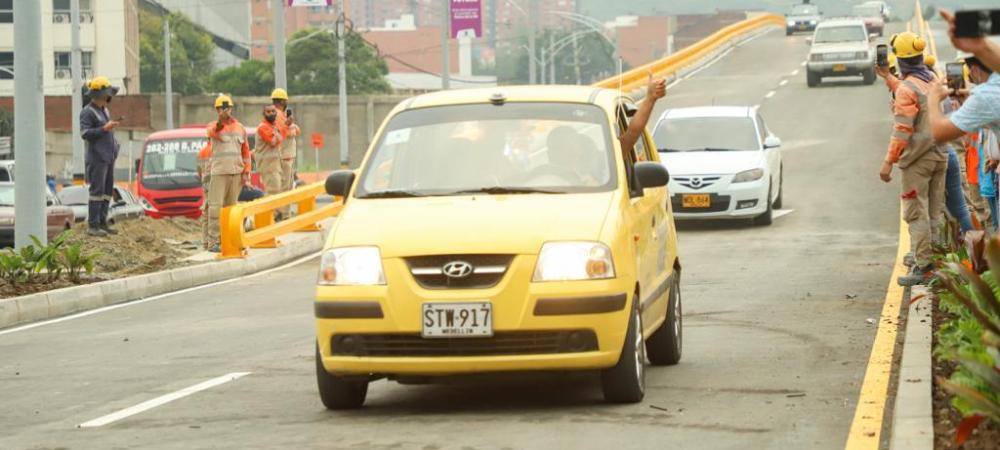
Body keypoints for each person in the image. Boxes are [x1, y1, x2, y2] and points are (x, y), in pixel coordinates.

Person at [877, 32, 947, 286]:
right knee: (933, 212)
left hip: (918, 161)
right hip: (940, 156)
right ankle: (937, 264)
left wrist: (888, 161)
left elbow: (902, 129)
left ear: (902, 61)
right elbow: (911, 92)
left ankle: (924, 267)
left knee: (916, 214)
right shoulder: (932, 82)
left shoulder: (908, 89)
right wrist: (889, 78)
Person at [204, 94, 251, 253]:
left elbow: (246, 152)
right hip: (219, 172)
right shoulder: (213, 126)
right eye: (222, 108)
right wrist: (220, 122)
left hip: (236, 173)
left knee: (232, 209)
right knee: (215, 208)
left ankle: (230, 240)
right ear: (217, 110)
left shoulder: (240, 127)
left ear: (232, 109)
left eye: (228, 108)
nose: (225, 111)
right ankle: (214, 241)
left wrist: (246, 172)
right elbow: (212, 132)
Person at [79, 76, 121, 237]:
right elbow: (85, 133)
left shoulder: (105, 110)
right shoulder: (87, 112)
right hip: (97, 158)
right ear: (102, 95)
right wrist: (104, 128)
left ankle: (103, 222)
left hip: (108, 157)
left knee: (107, 191)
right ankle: (93, 225)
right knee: (96, 191)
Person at [270, 88, 300, 220]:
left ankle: (283, 214)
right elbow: (283, 133)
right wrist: (289, 126)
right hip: (283, 157)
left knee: (286, 187)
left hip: (287, 157)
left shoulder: (283, 116)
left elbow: (296, 130)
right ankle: (282, 214)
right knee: (284, 188)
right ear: (282, 101)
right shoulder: (277, 116)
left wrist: (291, 125)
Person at [254, 105, 285, 202]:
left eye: (273, 111)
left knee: (278, 190)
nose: (271, 113)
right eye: (268, 112)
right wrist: (279, 132)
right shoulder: (263, 127)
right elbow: (273, 142)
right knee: (273, 191)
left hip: (275, 164)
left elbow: (282, 137)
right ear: (264, 114)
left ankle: (276, 214)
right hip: (268, 165)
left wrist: (280, 130)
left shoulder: (274, 126)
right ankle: (271, 214)